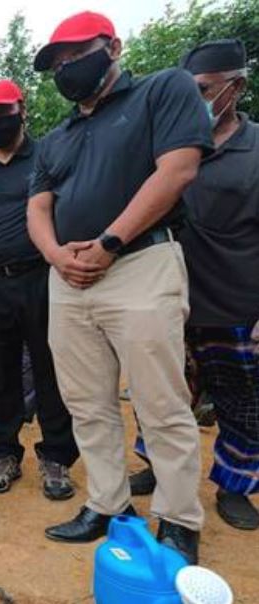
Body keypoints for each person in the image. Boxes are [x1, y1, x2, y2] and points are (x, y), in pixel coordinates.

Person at [27, 12, 212, 563]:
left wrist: (109, 242)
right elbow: (38, 206)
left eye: (74, 56)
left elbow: (177, 169)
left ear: (113, 46)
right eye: (56, 64)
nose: (64, 69)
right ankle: (107, 504)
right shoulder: (56, 137)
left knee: (161, 400)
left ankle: (179, 520)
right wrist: (57, 254)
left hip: (139, 263)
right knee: (86, 402)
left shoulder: (162, 91)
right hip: (68, 276)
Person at [0, 79, 78, 500]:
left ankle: (57, 458)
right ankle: (4, 454)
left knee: (51, 368)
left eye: (2, 114)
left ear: (21, 109)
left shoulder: (50, 157)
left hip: (43, 278)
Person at [178, 39, 259, 531]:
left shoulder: (255, 151)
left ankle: (233, 486)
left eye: (204, 90)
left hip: (237, 304)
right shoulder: (174, 148)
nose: (198, 102)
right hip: (174, 300)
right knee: (165, 397)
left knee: (243, 403)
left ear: (237, 86)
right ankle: (159, 470)